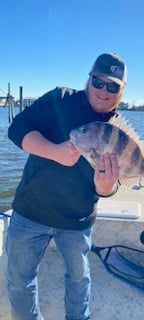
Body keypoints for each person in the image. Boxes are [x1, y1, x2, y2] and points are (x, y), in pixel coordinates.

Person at [6, 52, 127, 320]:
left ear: (122, 90)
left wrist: (106, 187)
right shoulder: (60, 98)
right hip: (30, 212)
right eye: (98, 82)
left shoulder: (118, 130)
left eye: (113, 86)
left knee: (79, 279)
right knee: (19, 280)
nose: (104, 91)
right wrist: (53, 151)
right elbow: (17, 129)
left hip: (78, 220)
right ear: (89, 79)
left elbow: (113, 185)